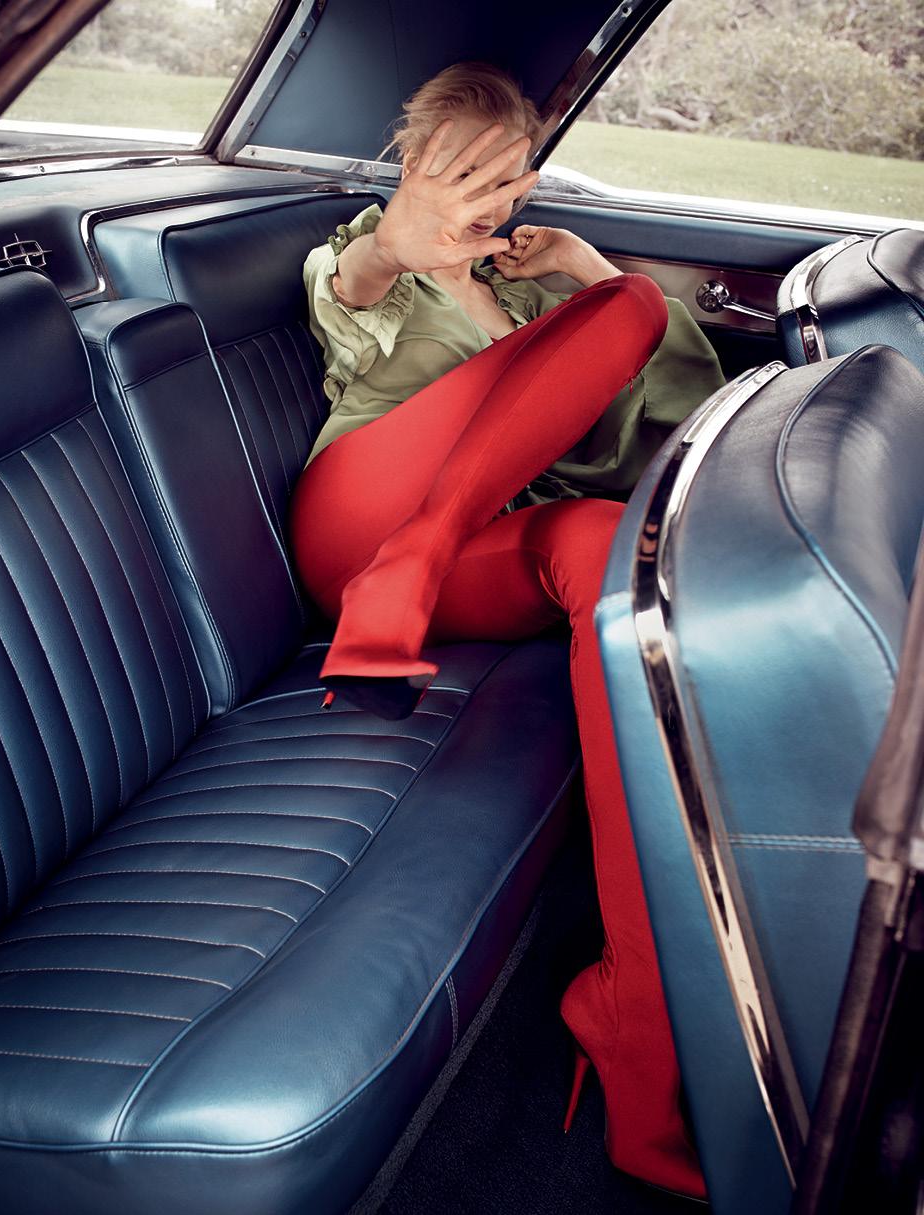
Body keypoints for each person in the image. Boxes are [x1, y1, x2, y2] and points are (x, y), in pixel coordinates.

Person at [290, 62, 711, 1199]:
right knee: (633, 305)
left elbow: (653, 431)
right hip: (355, 529)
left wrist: (579, 268)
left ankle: (632, 1012)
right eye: (459, 169)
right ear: (412, 162)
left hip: (449, 572)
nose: (487, 196)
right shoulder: (366, 256)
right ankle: (414, 550)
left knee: (608, 546)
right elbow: (356, 281)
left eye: (509, 174)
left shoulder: (528, 304)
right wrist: (395, 239)